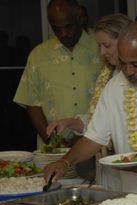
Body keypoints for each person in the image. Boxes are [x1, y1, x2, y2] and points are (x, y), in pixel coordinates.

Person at [44, 21, 137, 193]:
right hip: (130, 193)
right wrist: (65, 162)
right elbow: (94, 137)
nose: (129, 71)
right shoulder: (114, 86)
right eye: (123, 63)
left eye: (136, 64)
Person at [13, 0, 101, 148]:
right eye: (56, 29)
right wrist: (53, 142)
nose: (63, 33)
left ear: (80, 17)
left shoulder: (102, 48)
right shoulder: (38, 55)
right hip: (53, 151)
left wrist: (80, 141)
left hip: (95, 145)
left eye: (69, 26)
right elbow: (31, 102)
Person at [46, 14, 132, 137]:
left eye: (107, 45)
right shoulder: (109, 74)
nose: (102, 52)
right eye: (99, 46)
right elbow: (98, 120)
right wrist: (69, 122)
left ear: (126, 41)